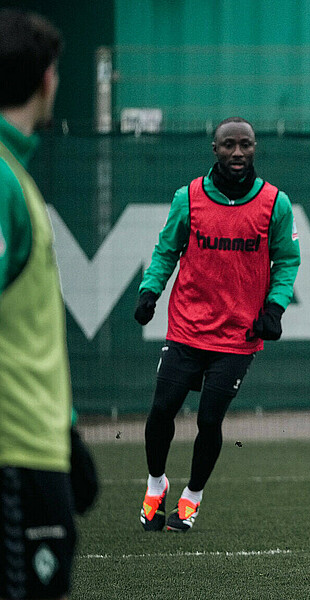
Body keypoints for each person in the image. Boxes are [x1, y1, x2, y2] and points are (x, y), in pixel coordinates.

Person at [134, 117, 300, 533]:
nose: (238, 152)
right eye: (229, 145)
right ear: (215, 149)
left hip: (237, 336)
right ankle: (157, 484)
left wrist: (275, 308)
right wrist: (149, 291)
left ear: (255, 148)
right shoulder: (187, 197)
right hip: (186, 329)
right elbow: (165, 251)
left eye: (246, 144)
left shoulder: (275, 203)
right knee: (160, 413)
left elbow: (287, 260)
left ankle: (192, 497)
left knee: (209, 421)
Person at [0, 9, 97, 599]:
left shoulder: (14, 171)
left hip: (34, 447)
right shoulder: (2, 180)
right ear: (46, 80)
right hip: (12, 460)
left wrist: (64, 435)